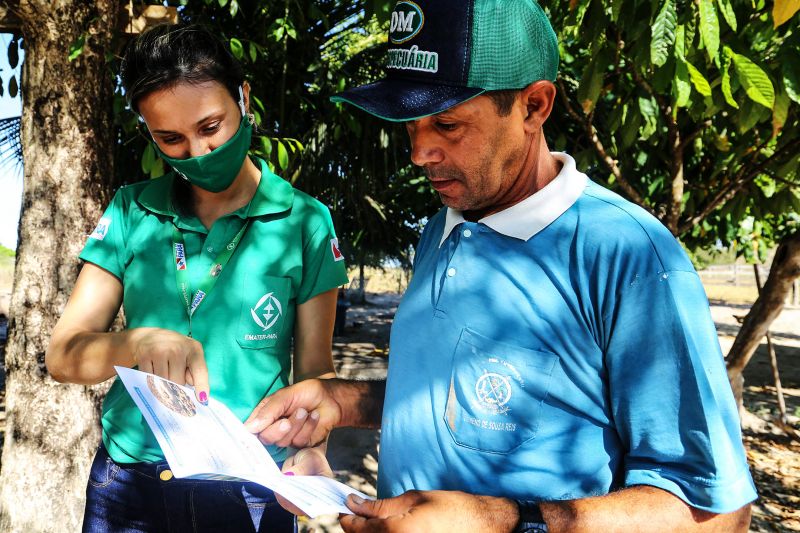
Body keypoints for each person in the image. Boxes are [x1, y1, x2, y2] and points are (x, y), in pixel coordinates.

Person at [244, 0, 758, 531]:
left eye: (447, 124)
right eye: (409, 125)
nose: (420, 152)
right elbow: (467, 395)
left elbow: (718, 511)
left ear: (534, 106)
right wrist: (345, 401)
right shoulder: (442, 227)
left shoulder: (627, 256)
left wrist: (509, 523)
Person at [45, 23, 348, 533]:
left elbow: (316, 367)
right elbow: (63, 355)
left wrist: (311, 448)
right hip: (131, 482)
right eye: (171, 138)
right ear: (148, 132)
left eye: (211, 126)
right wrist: (136, 342)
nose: (198, 152)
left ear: (243, 99)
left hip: (251, 483)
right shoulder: (130, 212)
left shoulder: (305, 222)